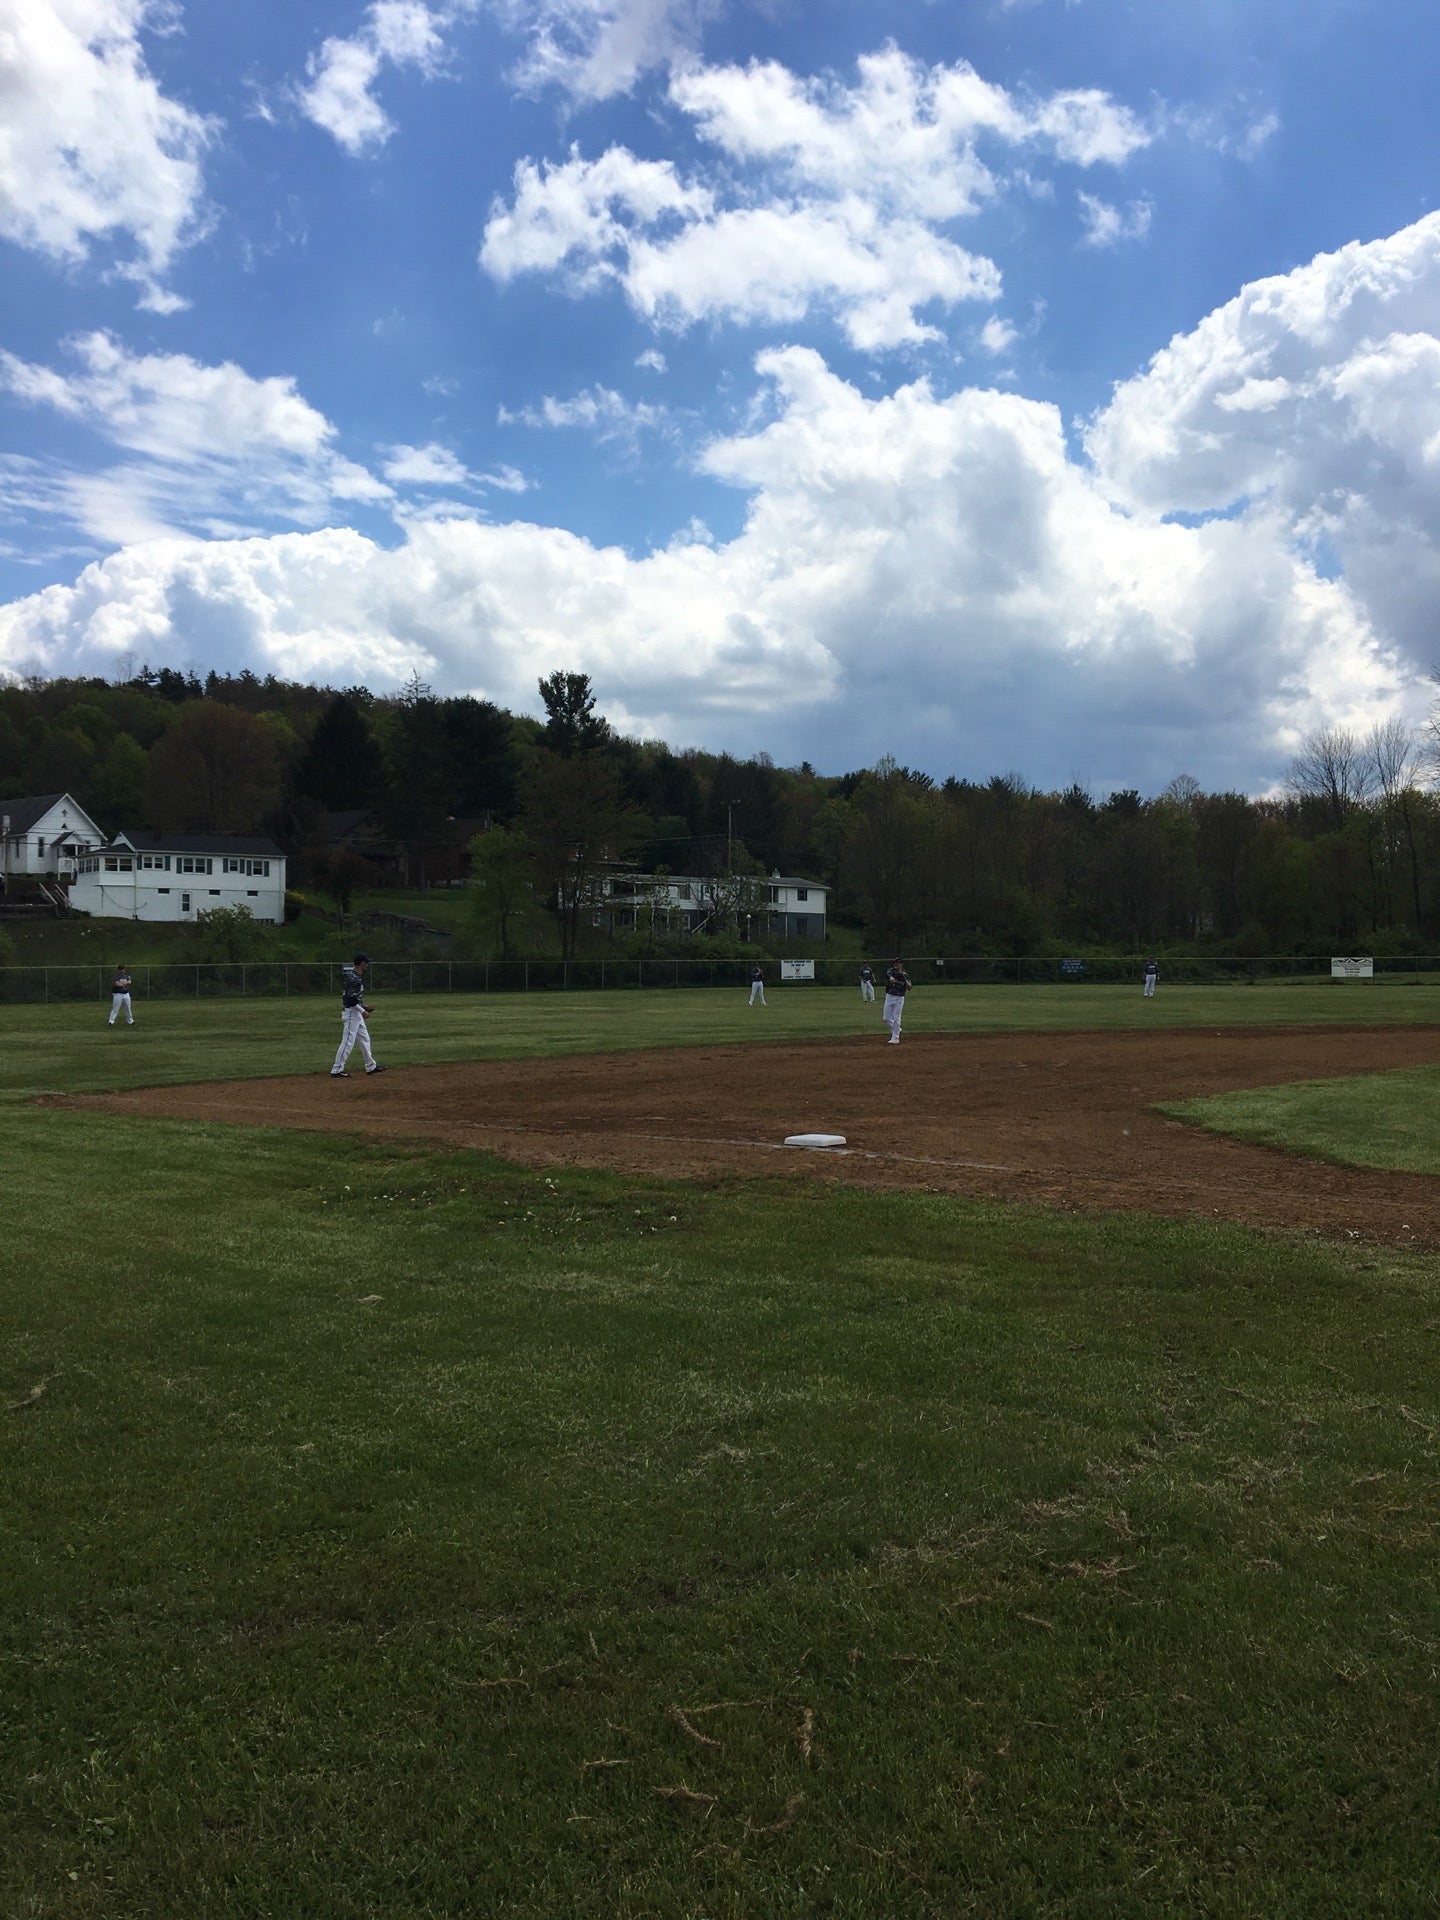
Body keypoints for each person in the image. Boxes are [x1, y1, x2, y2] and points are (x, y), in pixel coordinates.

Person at [331, 952, 384, 1076]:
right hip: (351, 1014)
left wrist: (364, 1006)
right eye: (366, 962)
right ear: (362, 963)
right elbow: (350, 1000)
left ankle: (370, 1066)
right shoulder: (353, 978)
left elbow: (354, 997)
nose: (367, 965)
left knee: (365, 1039)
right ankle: (337, 1069)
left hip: (356, 1013)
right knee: (348, 1041)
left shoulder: (354, 976)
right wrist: (363, 1011)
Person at [882, 957, 912, 1045]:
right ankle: (897, 1029)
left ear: (901, 964)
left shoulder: (905, 975)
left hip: (899, 998)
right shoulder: (891, 971)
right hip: (890, 996)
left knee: (896, 1018)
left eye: (897, 963)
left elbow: (909, 987)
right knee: (886, 1018)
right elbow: (889, 974)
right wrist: (891, 978)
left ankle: (895, 1038)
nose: (895, 964)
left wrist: (907, 983)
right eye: (894, 963)